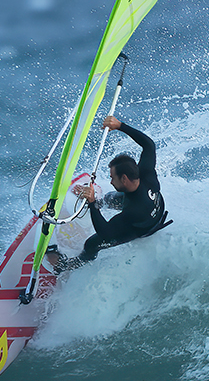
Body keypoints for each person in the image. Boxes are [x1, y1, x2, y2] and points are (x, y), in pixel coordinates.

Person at [49, 116, 170, 271]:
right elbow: (149, 145)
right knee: (109, 198)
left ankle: (66, 267)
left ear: (124, 178)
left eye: (113, 177)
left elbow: (106, 232)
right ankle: (96, 202)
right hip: (153, 205)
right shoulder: (145, 173)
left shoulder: (134, 211)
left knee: (92, 244)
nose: (111, 181)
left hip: (143, 227)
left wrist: (92, 203)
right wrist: (120, 126)